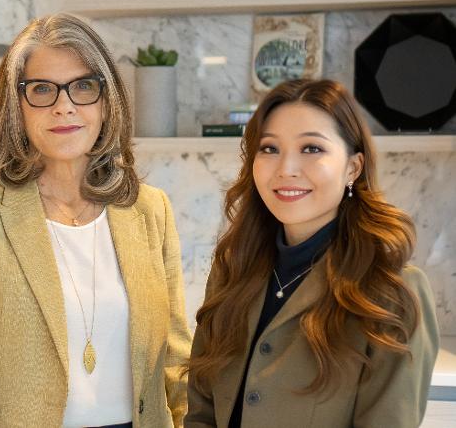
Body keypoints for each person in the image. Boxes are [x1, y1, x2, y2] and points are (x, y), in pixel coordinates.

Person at [0, 13, 191, 427]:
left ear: (107, 102)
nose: (64, 107)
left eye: (83, 87)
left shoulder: (149, 208)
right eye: (41, 89)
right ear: (15, 106)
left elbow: (177, 357)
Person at [184, 79, 439, 428]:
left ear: (353, 167)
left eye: (312, 148)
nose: (286, 168)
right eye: (269, 148)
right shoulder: (232, 269)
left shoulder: (393, 292)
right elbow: (201, 409)